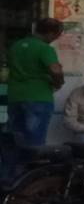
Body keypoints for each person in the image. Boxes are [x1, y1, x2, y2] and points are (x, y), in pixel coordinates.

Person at [5, 17, 65, 154]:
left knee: (14, 139)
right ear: (50, 33)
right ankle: (32, 172)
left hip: (15, 97)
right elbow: (55, 70)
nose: (55, 38)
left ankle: (11, 173)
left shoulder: (15, 46)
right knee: (34, 141)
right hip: (38, 97)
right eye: (57, 35)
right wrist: (59, 82)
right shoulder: (45, 49)